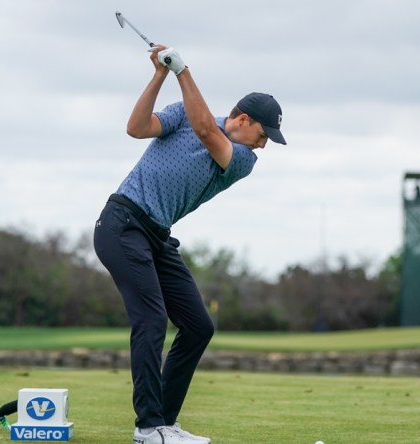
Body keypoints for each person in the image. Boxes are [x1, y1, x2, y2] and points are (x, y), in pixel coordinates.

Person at [93, 44, 286, 444]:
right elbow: (136, 127)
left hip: (156, 237)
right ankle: (148, 427)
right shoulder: (183, 113)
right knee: (151, 319)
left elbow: (205, 130)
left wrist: (183, 70)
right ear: (244, 119)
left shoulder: (242, 159)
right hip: (122, 223)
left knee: (198, 326)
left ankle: (162, 420)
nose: (264, 144)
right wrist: (161, 75)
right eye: (264, 135)